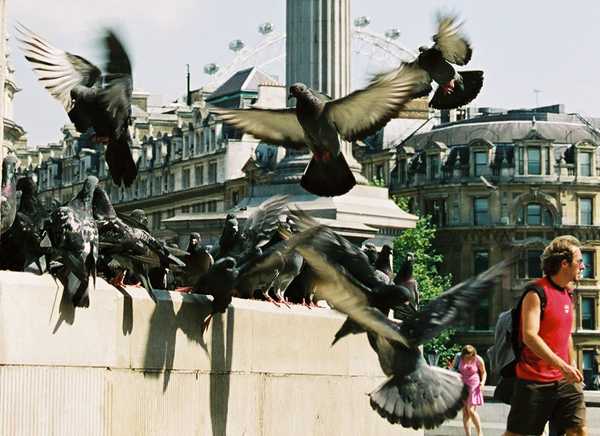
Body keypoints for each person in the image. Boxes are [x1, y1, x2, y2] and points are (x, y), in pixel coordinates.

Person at [503, 235, 588, 436]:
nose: (583, 267)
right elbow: (530, 337)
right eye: (579, 261)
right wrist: (563, 366)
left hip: (565, 381)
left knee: (577, 430)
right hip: (534, 380)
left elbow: (566, 334)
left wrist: (572, 366)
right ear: (564, 263)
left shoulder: (567, 293)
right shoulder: (536, 293)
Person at [453, 345, 487, 436]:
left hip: (474, 384)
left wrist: (482, 382)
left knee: (471, 410)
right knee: (465, 412)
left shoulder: (478, 359)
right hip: (462, 384)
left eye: (471, 357)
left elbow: (483, 372)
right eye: (466, 357)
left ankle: (480, 432)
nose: (468, 359)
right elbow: (453, 368)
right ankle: (468, 434)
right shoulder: (458, 357)